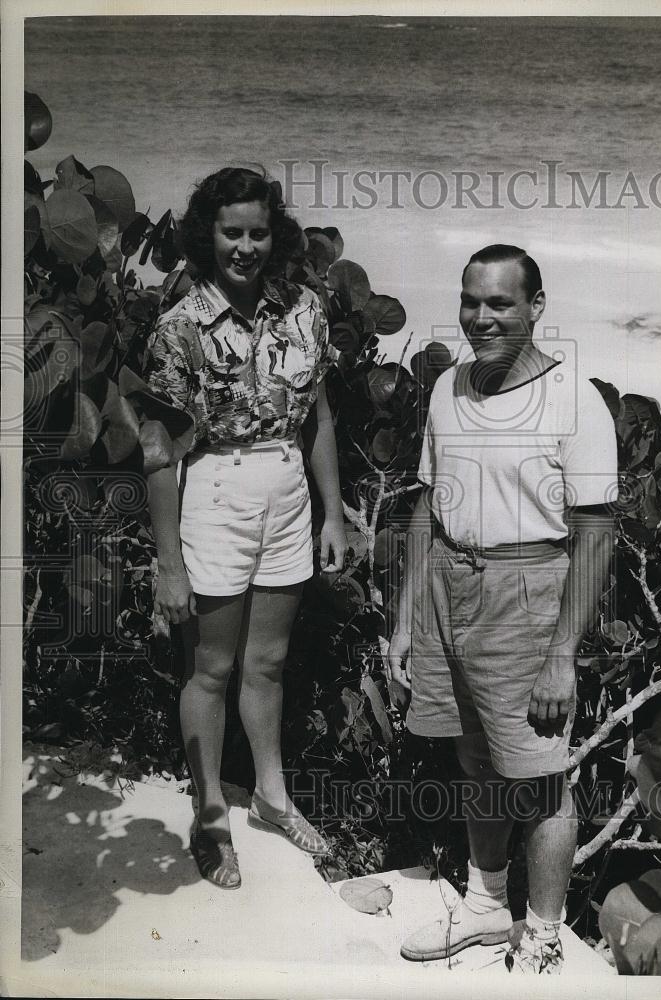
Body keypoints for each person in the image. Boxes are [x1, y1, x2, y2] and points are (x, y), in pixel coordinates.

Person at [387, 244, 617, 972]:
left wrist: (560, 656)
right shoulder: (447, 386)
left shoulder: (575, 397)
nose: (480, 319)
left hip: (528, 593)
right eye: (470, 302)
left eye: (500, 304)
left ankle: (544, 935)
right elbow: (429, 504)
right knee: (474, 756)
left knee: (543, 777)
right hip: (448, 584)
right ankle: (488, 909)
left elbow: (597, 536)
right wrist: (405, 617)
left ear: (536, 308)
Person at [143, 167, 346, 889]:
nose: (247, 247)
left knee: (267, 664)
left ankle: (270, 796)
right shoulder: (179, 327)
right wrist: (169, 562)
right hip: (217, 491)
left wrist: (335, 512)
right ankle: (208, 813)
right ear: (208, 235)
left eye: (259, 232)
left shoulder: (305, 309)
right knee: (212, 668)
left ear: (275, 233)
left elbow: (319, 415)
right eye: (232, 232)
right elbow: (160, 454)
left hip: (288, 490)